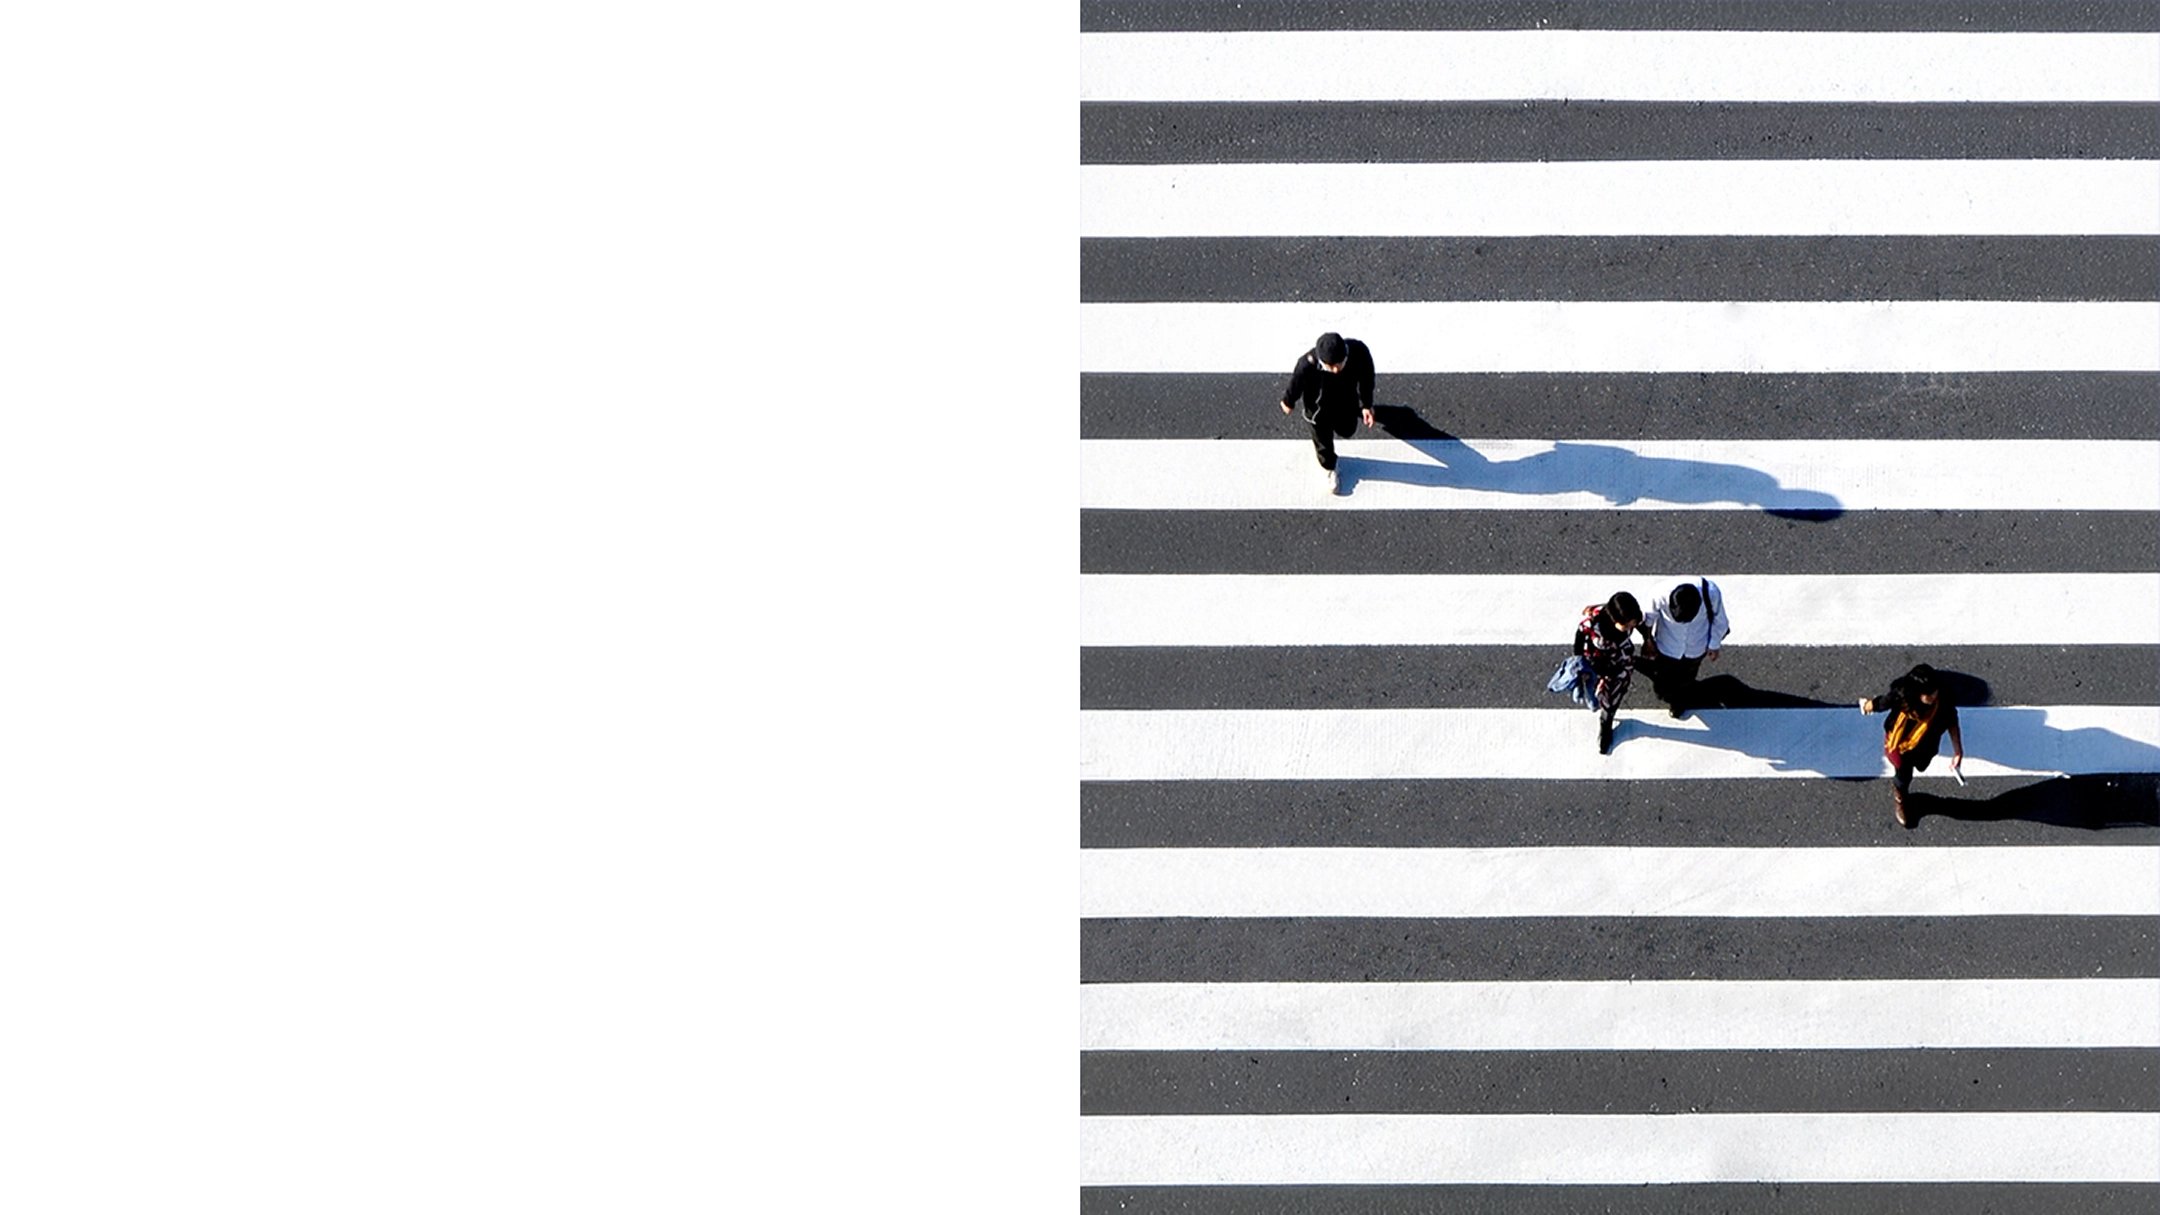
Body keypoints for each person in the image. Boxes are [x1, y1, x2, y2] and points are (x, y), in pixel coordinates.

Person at [1859, 663, 1965, 828]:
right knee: (1903, 775)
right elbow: (1881, 703)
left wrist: (1958, 751)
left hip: (1927, 745)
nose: (1934, 697)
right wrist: (1867, 706)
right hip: (1901, 745)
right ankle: (1900, 797)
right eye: (1928, 694)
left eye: (1935, 691)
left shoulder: (1942, 701)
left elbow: (1952, 721)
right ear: (1916, 692)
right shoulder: (1901, 697)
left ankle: (1902, 787)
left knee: (1922, 765)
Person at [1279, 331, 1375, 495]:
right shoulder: (1307, 364)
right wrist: (1289, 401)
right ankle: (1329, 466)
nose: (1336, 370)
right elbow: (1296, 384)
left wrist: (1367, 404)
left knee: (1348, 430)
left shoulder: (1358, 352)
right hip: (1318, 409)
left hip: (1346, 400)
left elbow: (1367, 378)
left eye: (1340, 363)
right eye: (1330, 366)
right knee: (1322, 439)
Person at [1638, 579, 1730, 718]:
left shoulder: (1711, 593)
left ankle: (1678, 700)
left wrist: (1714, 645)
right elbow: (1648, 619)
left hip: (1696, 647)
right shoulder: (1658, 594)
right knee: (1663, 676)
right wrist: (1648, 640)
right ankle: (1666, 692)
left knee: (1687, 676)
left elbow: (1720, 621)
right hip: (1667, 646)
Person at [1574, 591, 1643, 755]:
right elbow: (1579, 638)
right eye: (1627, 625)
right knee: (1595, 687)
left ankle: (1607, 719)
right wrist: (1579, 663)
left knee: (1614, 693)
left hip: (1621, 660)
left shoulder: (1629, 616)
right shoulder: (1593, 624)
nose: (1631, 627)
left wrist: (1648, 640)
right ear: (1614, 619)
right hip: (1597, 662)